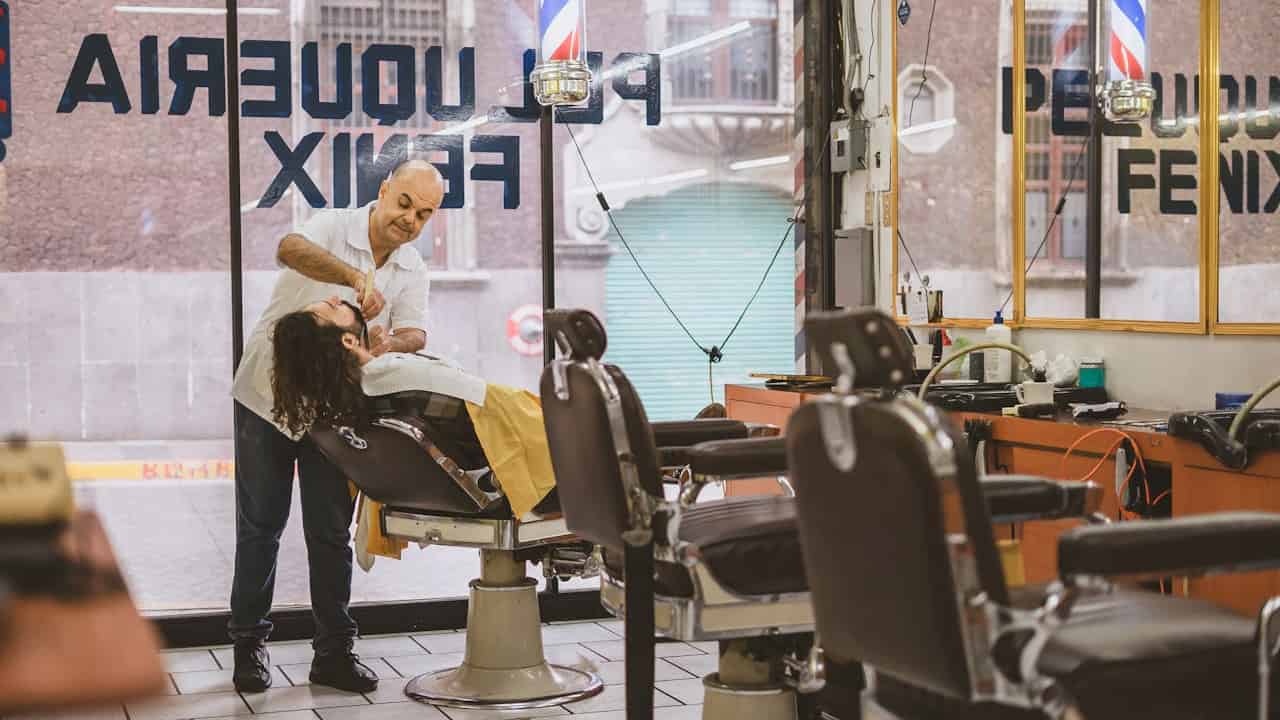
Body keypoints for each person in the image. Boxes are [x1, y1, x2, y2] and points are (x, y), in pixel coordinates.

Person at [228, 159, 444, 694]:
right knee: (261, 528)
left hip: (334, 409)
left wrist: (387, 342)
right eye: (405, 204)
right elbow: (287, 250)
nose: (411, 220)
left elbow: (414, 330)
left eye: (425, 213)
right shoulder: (331, 226)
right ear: (385, 189)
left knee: (329, 533)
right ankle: (249, 646)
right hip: (266, 396)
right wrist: (352, 278)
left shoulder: (412, 266)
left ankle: (333, 653)